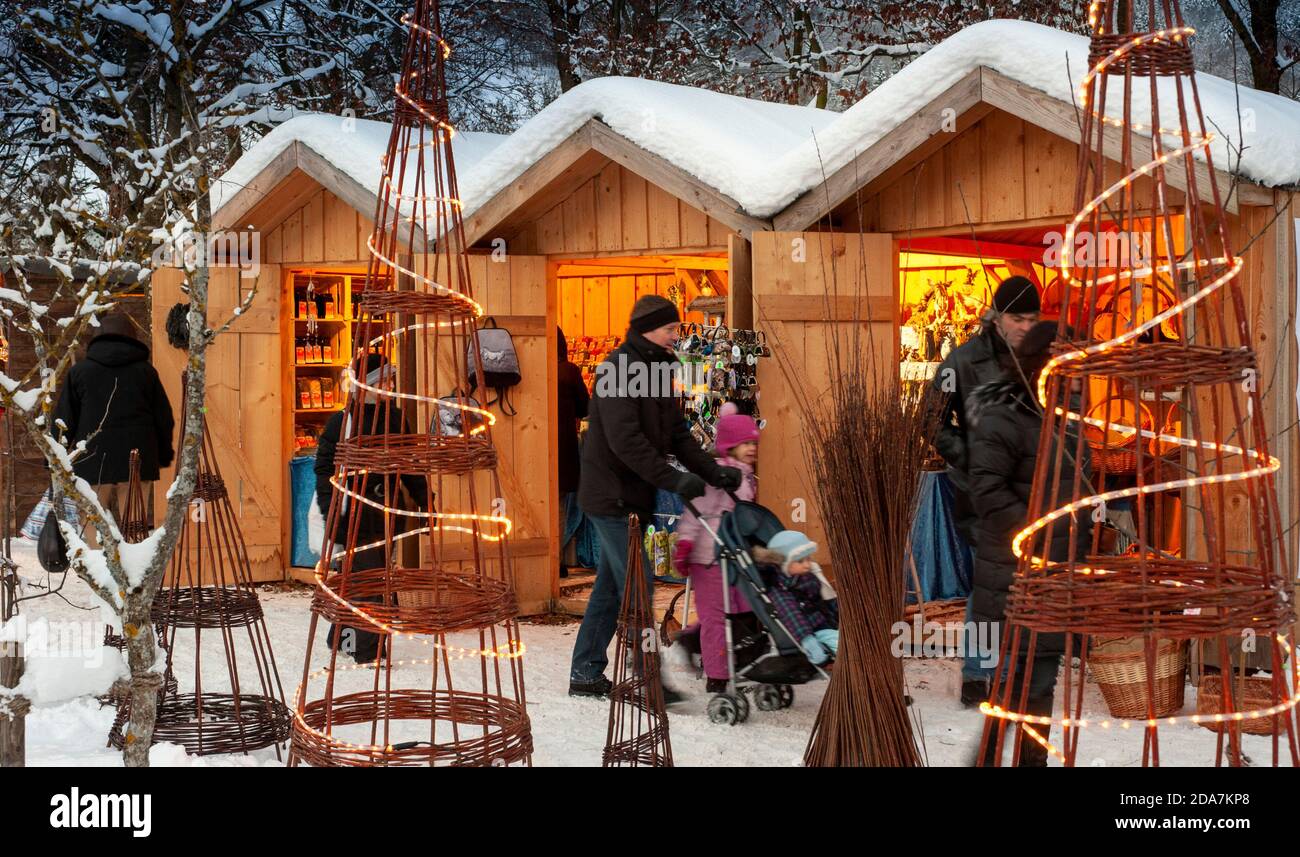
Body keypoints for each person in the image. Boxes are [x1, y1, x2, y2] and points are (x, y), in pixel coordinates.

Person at [569, 294, 742, 699]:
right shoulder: (617, 370)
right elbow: (625, 441)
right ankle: (647, 676)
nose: (675, 336)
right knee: (639, 581)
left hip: (635, 495)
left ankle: (585, 672)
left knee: (613, 587)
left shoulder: (660, 369)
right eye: (670, 329)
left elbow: (677, 433)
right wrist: (674, 481)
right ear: (648, 328)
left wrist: (711, 470)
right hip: (609, 494)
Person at [966, 321, 1086, 767]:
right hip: (1015, 574)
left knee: (1040, 686)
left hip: (1055, 575)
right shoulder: (1006, 417)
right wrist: (1033, 534)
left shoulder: (1070, 419)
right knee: (1012, 684)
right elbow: (987, 490)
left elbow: (1072, 492)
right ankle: (988, 761)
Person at [929, 274, 1040, 707]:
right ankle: (981, 671)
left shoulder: (1042, 357)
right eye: (1017, 317)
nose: (1025, 327)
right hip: (981, 491)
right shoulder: (961, 363)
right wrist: (972, 458)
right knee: (992, 580)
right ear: (996, 316)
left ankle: (1010, 668)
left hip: (1031, 487)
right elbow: (930, 421)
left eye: (1033, 318)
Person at [314, 353, 428, 664]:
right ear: (365, 385)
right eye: (384, 381)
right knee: (372, 582)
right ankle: (368, 651)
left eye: (392, 381)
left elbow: (410, 465)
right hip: (354, 514)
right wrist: (331, 512)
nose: (390, 386)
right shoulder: (343, 422)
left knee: (362, 577)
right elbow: (324, 469)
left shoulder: (395, 418)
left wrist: (425, 501)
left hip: (385, 512)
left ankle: (340, 636)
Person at [54, 312, 174, 526]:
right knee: (135, 525)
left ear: (97, 337)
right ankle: (134, 559)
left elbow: (64, 419)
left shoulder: (80, 372)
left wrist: (54, 459)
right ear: (132, 337)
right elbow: (163, 417)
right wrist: (163, 454)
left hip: (92, 459)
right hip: (137, 459)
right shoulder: (146, 372)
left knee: (93, 524)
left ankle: (96, 559)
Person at [672, 403, 759, 692]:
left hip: (733, 557)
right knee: (715, 617)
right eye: (745, 443)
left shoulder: (747, 478)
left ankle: (692, 640)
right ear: (729, 445)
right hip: (707, 557)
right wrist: (685, 544)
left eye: (754, 443)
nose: (751, 448)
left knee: (737, 610)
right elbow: (695, 511)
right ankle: (717, 675)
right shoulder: (716, 476)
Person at [751, 530, 839, 666]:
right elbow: (791, 615)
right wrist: (807, 639)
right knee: (843, 644)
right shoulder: (780, 589)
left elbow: (826, 600)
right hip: (812, 630)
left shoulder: (807, 577)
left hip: (826, 621)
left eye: (808, 558)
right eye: (800, 561)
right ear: (782, 563)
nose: (807, 564)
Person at [556, 327, 589, 577]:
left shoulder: (534, 370)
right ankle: (556, 560)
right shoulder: (568, 371)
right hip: (563, 447)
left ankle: (547, 561)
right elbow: (585, 407)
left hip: (534, 449)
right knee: (557, 506)